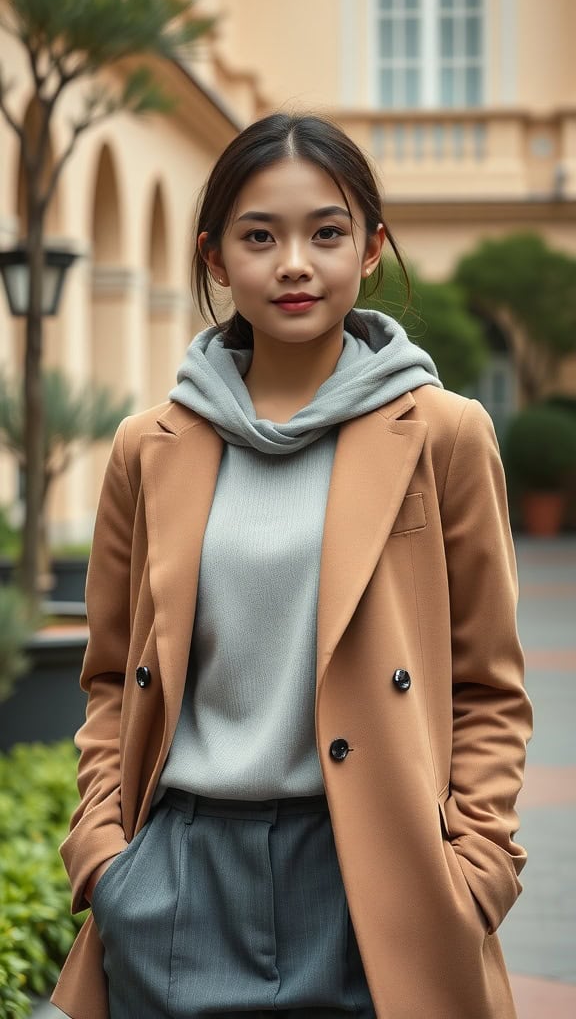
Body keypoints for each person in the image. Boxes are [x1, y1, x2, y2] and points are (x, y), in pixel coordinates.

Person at [52, 112, 532, 1019]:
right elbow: (111, 672)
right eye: (259, 236)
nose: (295, 263)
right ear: (214, 259)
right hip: (181, 874)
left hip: (377, 872)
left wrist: (478, 869)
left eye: (327, 232)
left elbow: (489, 683)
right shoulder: (147, 449)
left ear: (372, 247)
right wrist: (105, 854)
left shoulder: (443, 433)